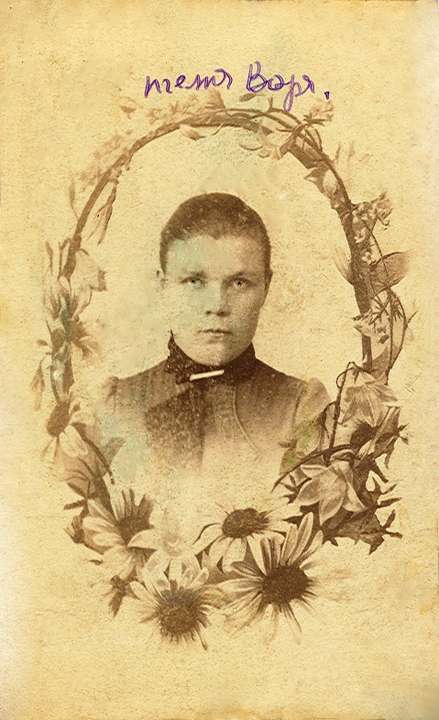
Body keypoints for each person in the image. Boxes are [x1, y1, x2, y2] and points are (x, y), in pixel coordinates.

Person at [98, 193, 330, 486]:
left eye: (239, 283)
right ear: (163, 286)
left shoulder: (300, 408)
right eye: (194, 281)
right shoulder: (118, 404)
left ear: (266, 287)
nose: (217, 305)